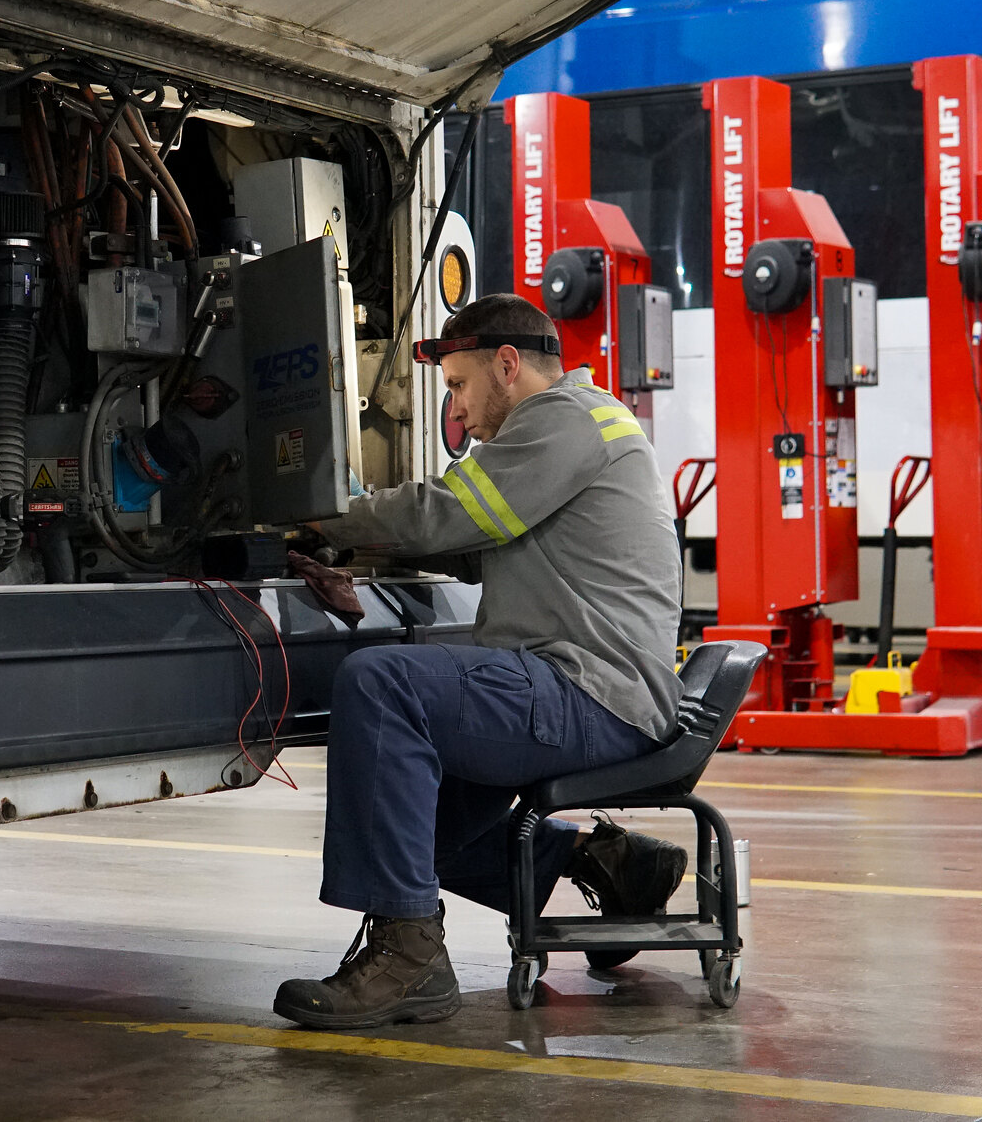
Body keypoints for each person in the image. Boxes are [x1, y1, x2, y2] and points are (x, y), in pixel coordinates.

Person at [274, 292, 687, 1030]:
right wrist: (344, 548)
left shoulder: (561, 420)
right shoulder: (587, 423)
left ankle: (411, 961)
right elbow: (465, 543)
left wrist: (322, 513)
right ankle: (609, 862)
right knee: (399, 827)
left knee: (381, 682)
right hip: (598, 685)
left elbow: (450, 512)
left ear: (508, 364)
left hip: (588, 689)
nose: (457, 413)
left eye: (460, 386)